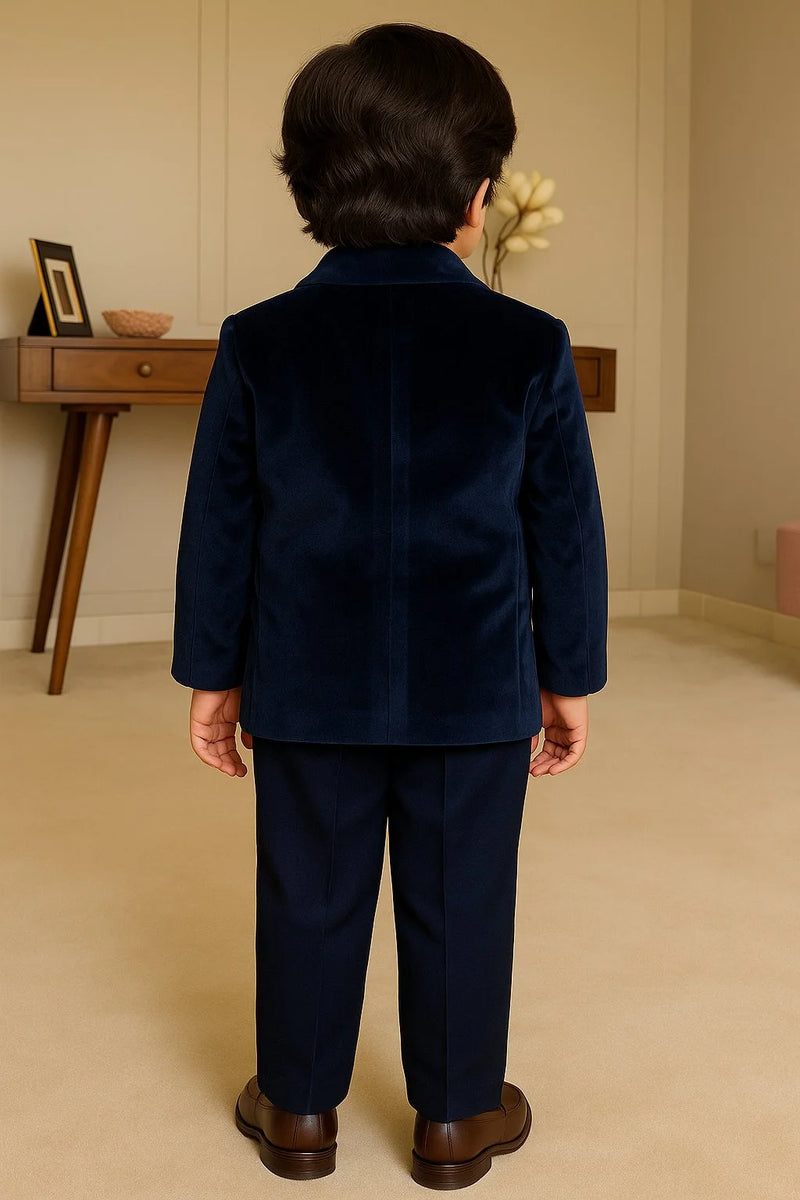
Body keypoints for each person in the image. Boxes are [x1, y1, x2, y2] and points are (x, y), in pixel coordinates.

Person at [170, 20, 608, 1191]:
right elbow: (560, 532)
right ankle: (458, 1117)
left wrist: (215, 675)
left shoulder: (260, 341)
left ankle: (298, 1112)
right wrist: (565, 677)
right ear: (477, 196)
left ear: (309, 187)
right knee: (464, 897)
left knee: (306, 896)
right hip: (473, 687)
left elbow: (222, 526)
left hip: (306, 681)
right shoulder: (526, 342)